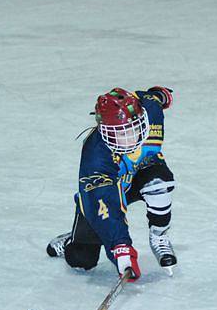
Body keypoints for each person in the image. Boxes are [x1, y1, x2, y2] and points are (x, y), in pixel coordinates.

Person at [46, 86, 177, 281]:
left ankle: (159, 236)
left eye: (131, 129)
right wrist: (121, 248)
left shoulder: (151, 111)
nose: (129, 138)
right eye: (120, 133)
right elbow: (104, 203)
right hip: (103, 196)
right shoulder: (95, 155)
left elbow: (156, 97)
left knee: (159, 181)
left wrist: (160, 94)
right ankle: (70, 241)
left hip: (139, 176)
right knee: (82, 259)